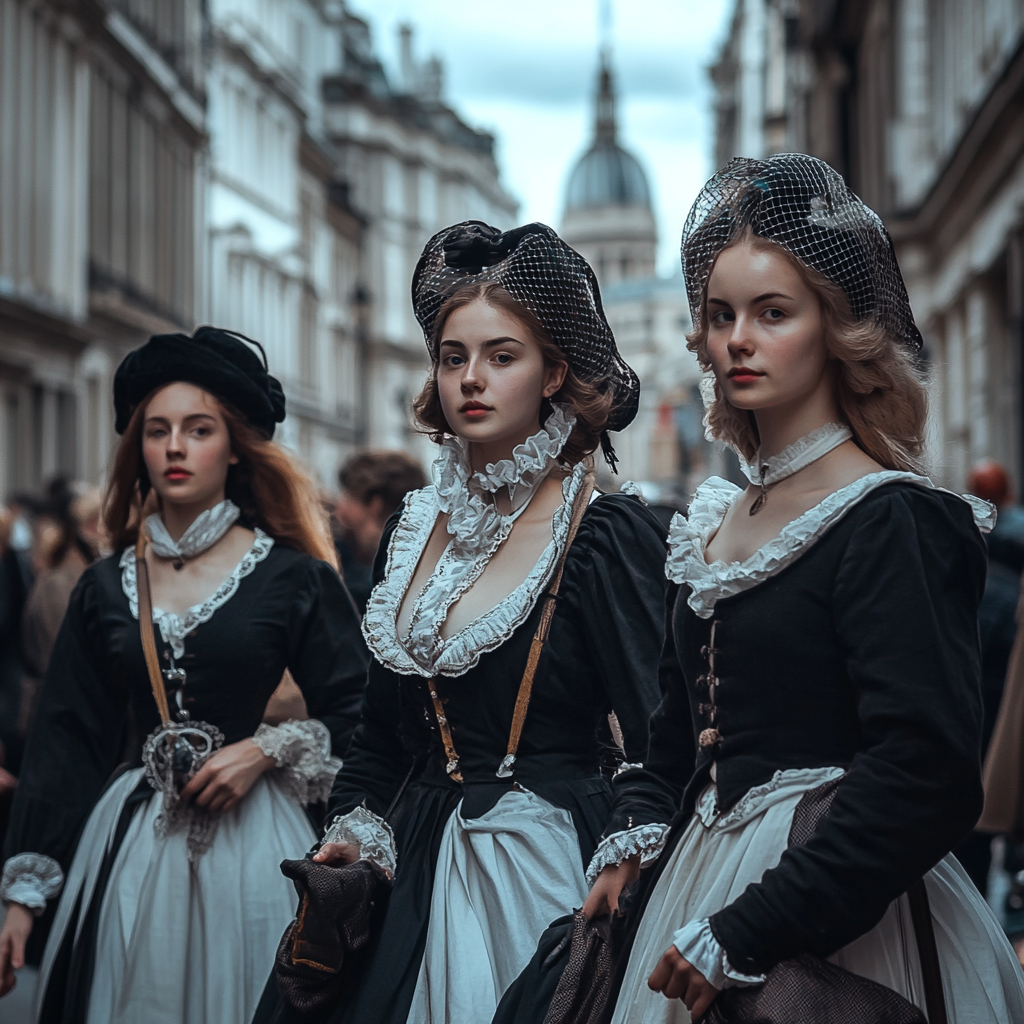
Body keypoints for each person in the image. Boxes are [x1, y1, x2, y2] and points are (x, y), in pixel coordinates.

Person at [583, 155, 1024, 1023]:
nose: (737, 338)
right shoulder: (712, 524)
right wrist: (634, 836)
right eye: (720, 316)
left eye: (772, 312)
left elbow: (925, 775)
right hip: (694, 890)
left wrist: (751, 930)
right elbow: (673, 740)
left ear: (835, 328)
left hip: (839, 918)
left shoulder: (890, 517)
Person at [265, 221, 669, 1024]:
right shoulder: (410, 528)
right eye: (455, 357)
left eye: (501, 356)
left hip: (549, 867)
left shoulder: (603, 534)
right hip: (413, 861)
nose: (472, 379)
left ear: (554, 371)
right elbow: (382, 737)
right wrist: (354, 829)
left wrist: (629, 851)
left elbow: (660, 739)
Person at [0, 327, 369, 1023]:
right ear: (136, 448)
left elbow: (364, 713)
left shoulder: (294, 578)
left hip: (258, 848)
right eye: (157, 430)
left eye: (198, 429)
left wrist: (266, 750)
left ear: (234, 448)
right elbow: (64, 743)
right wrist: (23, 900)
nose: (174, 446)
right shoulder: (103, 587)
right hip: (133, 848)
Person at [334, 451, 426, 614]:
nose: (340, 507)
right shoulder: (423, 560)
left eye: (348, 496)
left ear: (375, 504)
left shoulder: (368, 587)